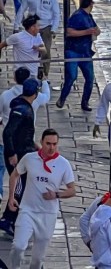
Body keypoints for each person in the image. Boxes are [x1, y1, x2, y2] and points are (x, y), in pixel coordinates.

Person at [7, 128, 76, 269]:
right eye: (48, 143)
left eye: (54, 144)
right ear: (41, 142)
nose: (51, 147)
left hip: (48, 214)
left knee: (38, 259)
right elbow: (15, 174)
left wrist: (56, 195)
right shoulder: (29, 158)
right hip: (27, 210)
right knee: (18, 246)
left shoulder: (63, 164)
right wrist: (11, 197)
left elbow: (72, 190)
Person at [0, 78, 41, 235]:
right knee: (20, 187)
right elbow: (8, 132)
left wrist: (35, 146)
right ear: (35, 94)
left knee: (23, 186)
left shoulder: (22, 107)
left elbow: (23, 134)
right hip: (18, 156)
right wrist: (12, 154)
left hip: (24, 153)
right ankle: (8, 219)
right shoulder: (22, 110)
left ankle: (10, 218)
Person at [58, 0, 99, 110]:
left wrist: (95, 31)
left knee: (90, 78)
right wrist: (86, 32)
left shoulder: (89, 16)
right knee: (71, 77)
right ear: (91, 4)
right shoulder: (77, 16)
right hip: (73, 51)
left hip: (86, 52)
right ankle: (62, 98)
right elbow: (69, 32)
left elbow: (96, 29)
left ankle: (85, 102)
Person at [14, 0, 59, 78]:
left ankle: (45, 74)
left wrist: (54, 29)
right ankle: (30, 72)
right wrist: (16, 26)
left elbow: (56, 14)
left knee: (46, 52)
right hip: (32, 28)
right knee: (30, 50)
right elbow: (21, 10)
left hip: (46, 28)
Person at [0, 16, 47, 84]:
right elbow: (2, 45)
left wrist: (38, 48)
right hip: (21, 74)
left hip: (34, 72)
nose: (39, 28)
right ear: (32, 27)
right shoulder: (17, 37)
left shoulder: (38, 36)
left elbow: (45, 50)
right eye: (38, 26)